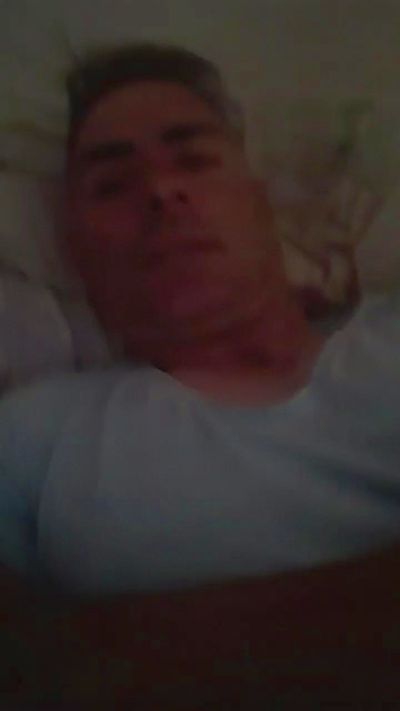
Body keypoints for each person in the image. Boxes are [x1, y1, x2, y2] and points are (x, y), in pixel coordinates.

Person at [0, 43, 399, 704]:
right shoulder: (28, 440)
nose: (161, 191)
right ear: (78, 248)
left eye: (194, 160)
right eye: (111, 185)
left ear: (259, 201)